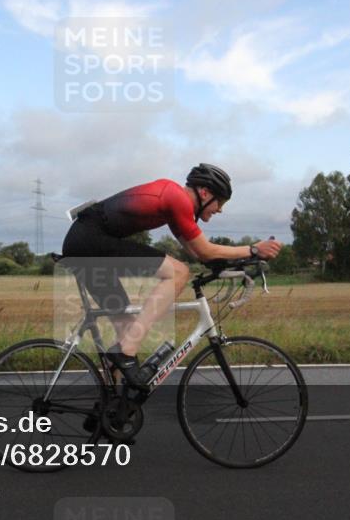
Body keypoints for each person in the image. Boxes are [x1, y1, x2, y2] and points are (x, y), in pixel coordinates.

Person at [61, 163, 282, 389]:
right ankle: (126, 353)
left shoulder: (174, 206)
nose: (220, 210)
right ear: (205, 193)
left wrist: (237, 265)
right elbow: (205, 250)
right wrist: (253, 249)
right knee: (178, 272)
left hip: (84, 242)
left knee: (127, 330)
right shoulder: (176, 198)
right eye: (220, 202)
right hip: (90, 242)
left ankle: (115, 401)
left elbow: (199, 254)